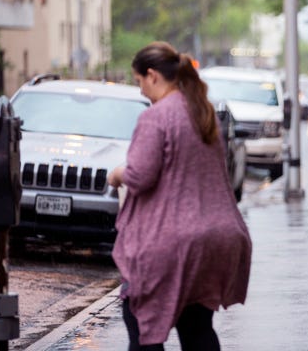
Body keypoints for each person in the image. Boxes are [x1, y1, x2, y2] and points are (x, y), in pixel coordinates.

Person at [107, 41, 252, 350]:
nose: (141, 91)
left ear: (152, 75)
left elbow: (140, 176)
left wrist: (117, 173)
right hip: (219, 240)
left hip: (172, 242)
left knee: (140, 320)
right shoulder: (202, 112)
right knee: (197, 327)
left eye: (139, 83)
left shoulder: (156, 117)